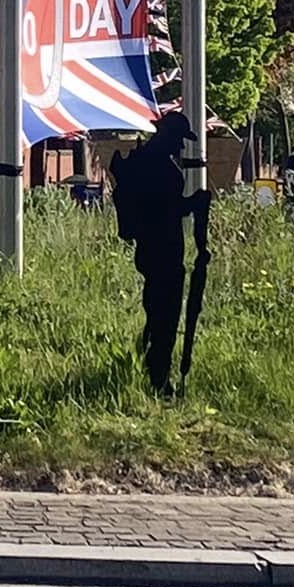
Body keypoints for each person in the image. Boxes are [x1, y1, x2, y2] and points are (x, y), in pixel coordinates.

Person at [109, 111, 204, 395]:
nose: (180, 147)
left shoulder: (150, 161)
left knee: (157, 310)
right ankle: (159, 376)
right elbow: (164, 209)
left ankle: (152, 364)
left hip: (154, 250)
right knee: (166, 313)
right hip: (161, 249)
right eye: (178, 140)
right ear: (168, 137)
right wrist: (194, 204)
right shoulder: (159, 167)